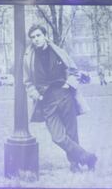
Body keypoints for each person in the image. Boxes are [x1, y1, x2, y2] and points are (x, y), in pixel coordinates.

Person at [24, 24, 97, 173]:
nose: (36, 39)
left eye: (38, 35)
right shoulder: (28, 58)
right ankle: (88, 157)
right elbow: (27, 82)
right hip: (46, 100)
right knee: (57, 137)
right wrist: (36, 95)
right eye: (33, 37)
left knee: (72, 132)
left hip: (64, 95)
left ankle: (74, 165)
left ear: (45, 35)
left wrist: (68, 85)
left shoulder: (59, 51)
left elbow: (74, 71)